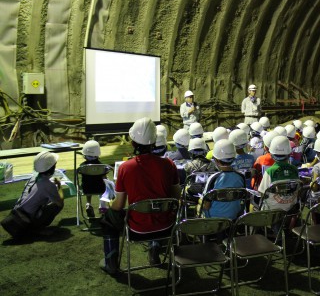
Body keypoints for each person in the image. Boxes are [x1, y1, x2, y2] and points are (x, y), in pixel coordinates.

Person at [99, 117, 180, 274]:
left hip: (137, 228)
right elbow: (176, 197)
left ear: (133, 143)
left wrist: (108, 205)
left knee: (109, 218)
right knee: (156, 208)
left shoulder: (125, 168)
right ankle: (155, 249)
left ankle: (111, 263)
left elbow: (119, 205)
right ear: (154, 142)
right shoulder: (169, 164)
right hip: (166, 226)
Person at [1, 151, 64, 238]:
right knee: (57, 205)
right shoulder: (48, 185)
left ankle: (33, 227)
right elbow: (60, 202)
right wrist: (59, 185)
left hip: (16, 213)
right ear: (52, 167)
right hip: (26, 220)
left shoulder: (33, 178)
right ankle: (37, 228)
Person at [200, 139, 246, 220]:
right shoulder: (241, 177)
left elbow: (206, 205)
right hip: (234, 216)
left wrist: (199, 202)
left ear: (216, 160)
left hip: (214, 218)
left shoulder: (213, 178)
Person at [258, 136, 299, 212]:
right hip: (291, 209)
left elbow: (262, 193)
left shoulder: (270, 171)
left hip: (273, 211)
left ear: (272, 154)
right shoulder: (294, 170)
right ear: (289, 154)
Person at [80, 140, 112, 217]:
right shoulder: (101, 166)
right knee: (105, 186)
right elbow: (104, 178)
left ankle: (88, 204)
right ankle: (103, 207)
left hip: (86, 189)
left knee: (87, 182)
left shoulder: (82, 166)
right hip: (100, 188)